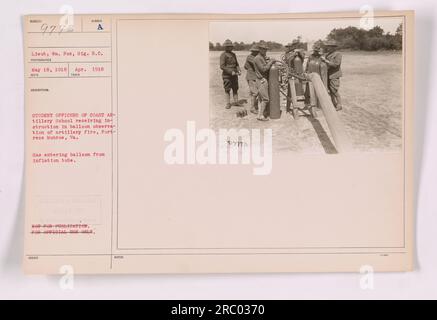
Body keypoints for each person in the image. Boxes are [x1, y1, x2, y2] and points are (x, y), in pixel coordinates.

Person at [253, 41, 276, 121]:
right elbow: (263, 69)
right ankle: (260, 116)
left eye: (266, 49)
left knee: (261, 99)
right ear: (260, 49)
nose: (265, 51)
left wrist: (268, 61)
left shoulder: (261, 57)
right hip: (261, 80)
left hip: (262, 80)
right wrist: (270, 62)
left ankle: (260, 113)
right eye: (263, 49)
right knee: (265, 99)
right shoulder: (257, 58)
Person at [321, 40, 343, 111]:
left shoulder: (338, 54)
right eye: (327, 47)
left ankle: (339, 105)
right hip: (328, 75)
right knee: (330, 90)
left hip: (334, 75)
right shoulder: (327, 54)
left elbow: (336, 64)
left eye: (329, 47)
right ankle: (333, 104)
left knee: (334, 90)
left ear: (333, 47)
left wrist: (325, 61)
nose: (328, 48)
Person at [219, 39, 241, 109]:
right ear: (226, 47)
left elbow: (237, 64)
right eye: (229, 46)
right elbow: (222, 66)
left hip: (235, 75)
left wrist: (239, 70)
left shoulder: (234, 54)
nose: (231, 47)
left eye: (231, 46)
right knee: (227, 89)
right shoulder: (223, 55)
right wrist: (231, 72)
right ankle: (228, 103)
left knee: (235, 88)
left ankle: (236, 102)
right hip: (227, 76)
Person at [244, 45, 260, 114]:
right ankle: (252, 108)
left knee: (256, 92)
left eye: (256, 51)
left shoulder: (255, 57)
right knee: (255, 93)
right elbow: (256, 64)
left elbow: (245, 66)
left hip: (254, 77)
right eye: (255, 51)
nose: (256, 52)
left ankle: (255, 106)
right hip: (251, 77)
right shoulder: (250, 57)